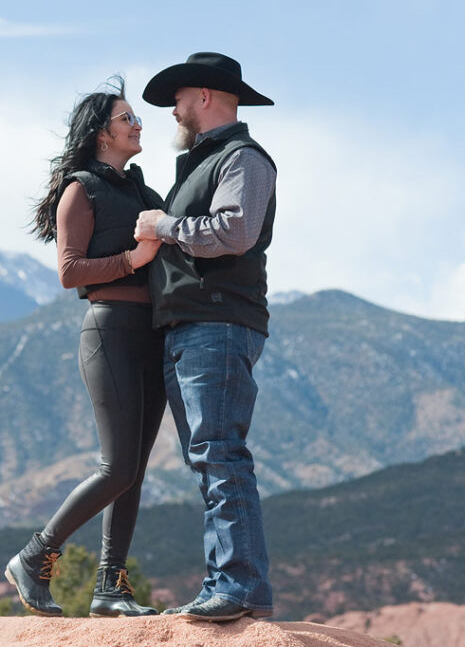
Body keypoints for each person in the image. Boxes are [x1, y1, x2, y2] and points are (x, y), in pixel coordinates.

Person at [5, 77, 166, 618]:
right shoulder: (82, 189)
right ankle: (35, 555)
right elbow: (70, 271)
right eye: (129, 119)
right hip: (111, 329)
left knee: (134, 471)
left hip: (153, 336)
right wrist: (134, 261)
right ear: (102, 133)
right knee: (117, 466)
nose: (139, 125)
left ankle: (110, 589)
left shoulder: (145, 193)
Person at [133, 52, 277, 622]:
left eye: (180, 97)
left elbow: (235, 231)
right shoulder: (204, 162)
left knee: (219, 453)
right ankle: (231, 583)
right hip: (193, 326)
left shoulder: (243, 158)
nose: (173, 107)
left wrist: (163, 226)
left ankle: (239, 586)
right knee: (209, 457)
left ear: (207, 97)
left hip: (218, 324)